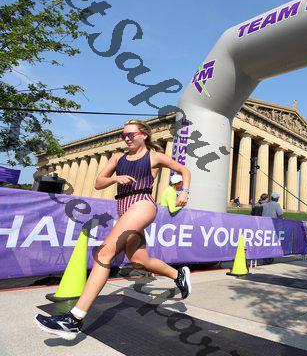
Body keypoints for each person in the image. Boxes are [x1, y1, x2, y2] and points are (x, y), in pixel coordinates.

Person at [35, 119, 192, 340]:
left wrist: (184, 191)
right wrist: (115, 178)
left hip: (142, 204)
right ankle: (179, 275)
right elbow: (98, 182)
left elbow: (184, 170)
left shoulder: (154, 157)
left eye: (131, 135)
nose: (126, 139)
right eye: (123, 135)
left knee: (104, 253)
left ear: (144, 135)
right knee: (139, 261)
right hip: (124, 208)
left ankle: (73, 320)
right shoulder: (118, 158)